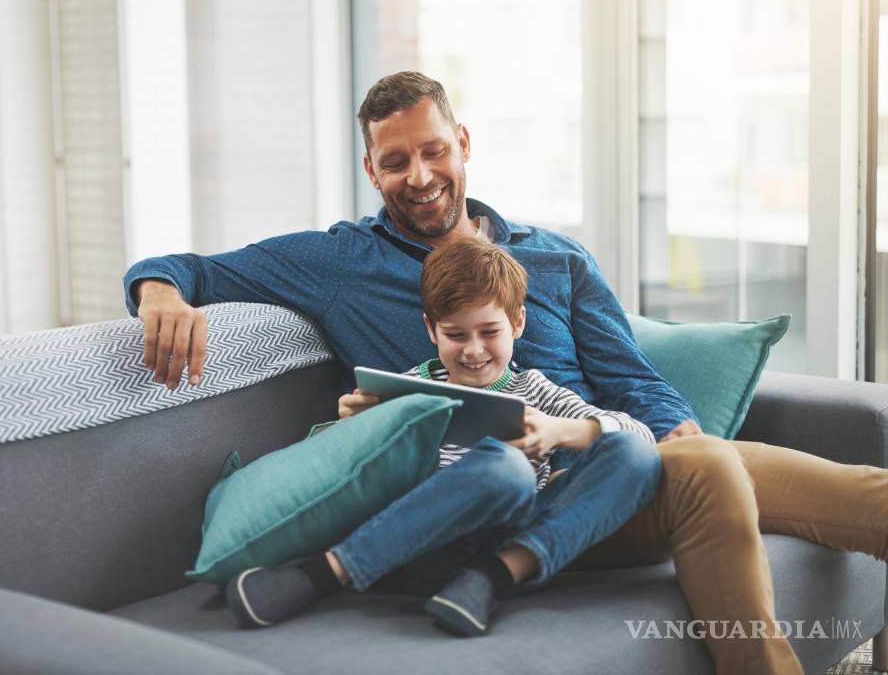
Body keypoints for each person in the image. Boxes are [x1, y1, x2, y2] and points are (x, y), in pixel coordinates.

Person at [125, 71, 888, 673]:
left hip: (602, 461)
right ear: (371, 171)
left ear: (462, 143)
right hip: (499, 495)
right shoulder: (341, 264)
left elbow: (630, 377)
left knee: (825, 484)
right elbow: (188, 268)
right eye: (395, 162)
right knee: (710, 471)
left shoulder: (553, 257)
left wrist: (674, 428)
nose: (419, 175)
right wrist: (160, 294)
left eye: (433, 151)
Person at [225, 237, 663, 637]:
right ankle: (324, 574)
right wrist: (352, 427)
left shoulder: (535, 392)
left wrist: (558, 431)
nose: (473, 350)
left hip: (510, 546)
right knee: (506, 469)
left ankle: (493, 577)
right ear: (432, 330)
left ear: (517, 323)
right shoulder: (407, 389)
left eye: (489, 332)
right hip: (419, 543)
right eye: (455, 335)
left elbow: (640, 434)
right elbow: (328, 469)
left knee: (636, 454)